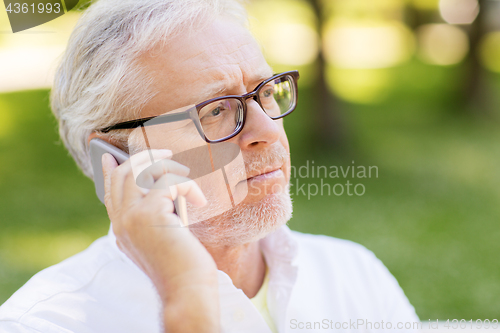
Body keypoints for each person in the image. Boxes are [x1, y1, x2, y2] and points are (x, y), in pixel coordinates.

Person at [0, 0, 420, 332]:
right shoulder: (43, 323)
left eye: (266, 92)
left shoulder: (352, 273)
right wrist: (187, 295)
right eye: (216, 110)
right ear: (114, 156)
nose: (268, 131)